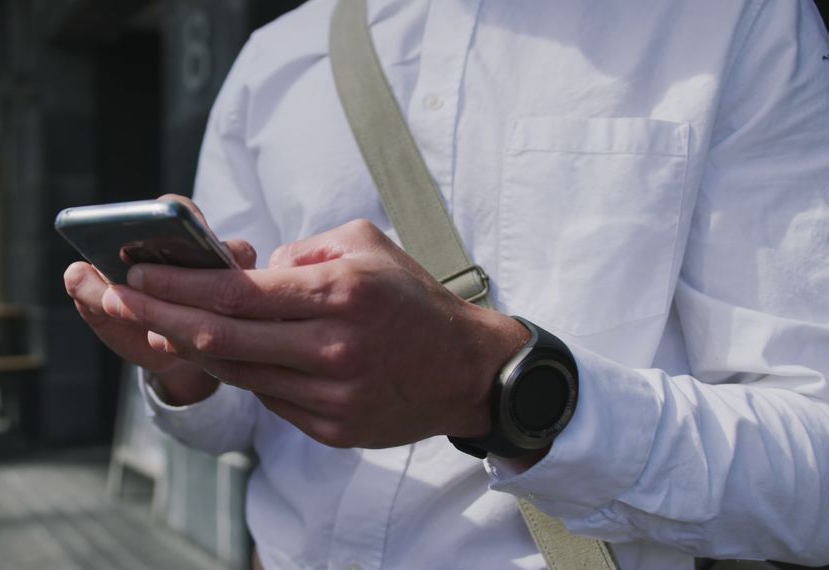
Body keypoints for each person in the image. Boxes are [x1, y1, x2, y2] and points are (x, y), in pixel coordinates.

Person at [65, 1, 829, 568]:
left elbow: (815, 469)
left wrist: (493, 387)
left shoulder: (730, 21)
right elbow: (229, 426)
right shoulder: (274, 62)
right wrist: (187, 358)